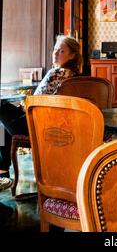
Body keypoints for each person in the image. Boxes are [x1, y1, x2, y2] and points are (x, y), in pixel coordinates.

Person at [0, 35, 82, 189]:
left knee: (1, 106)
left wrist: (21, 106)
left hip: (36, 126)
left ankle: (3, 171)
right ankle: (3, 171)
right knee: (3, 127)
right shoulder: (75, 76)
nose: (55, 53)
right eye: (55, 49)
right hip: (55, 124)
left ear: (72, 55)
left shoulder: (56, 73)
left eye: (61, 51)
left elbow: (35, 100)